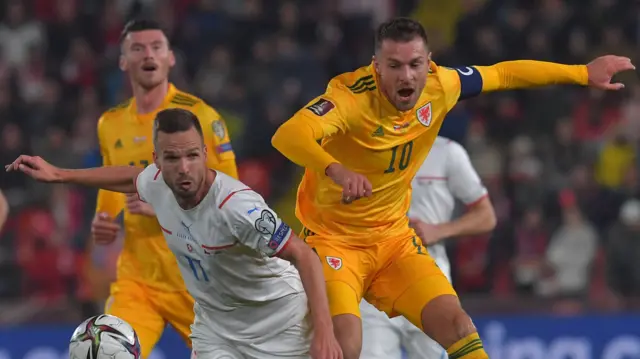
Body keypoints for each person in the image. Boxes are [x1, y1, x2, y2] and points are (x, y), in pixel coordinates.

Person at [271, 17, 634, 359]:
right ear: (376, 66)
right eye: (394, 65)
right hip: (335, 242)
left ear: (429, 62)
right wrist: (335, 169)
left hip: (394, 242)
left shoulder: (440, 84)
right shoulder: (349, 97)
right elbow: (288, 135)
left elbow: (504, 73)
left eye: (414, 63)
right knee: (346, 346)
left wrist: (582, 72)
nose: (406, 75)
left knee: (460, 326)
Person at [6, 108, 343, 359]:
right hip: (218, 330)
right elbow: (128, 177)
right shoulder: (158, 184)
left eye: (192, 156)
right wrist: (60, 174)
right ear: (158, 160)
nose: (184, 167)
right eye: (173, 158)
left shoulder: (239, 207)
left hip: (280, 325)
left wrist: (325, 333)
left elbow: (303, 256)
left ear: (205, 155)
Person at [92, 19, 238, 357]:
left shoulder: (200, 116)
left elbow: (233, 195)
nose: (149, 54)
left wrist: (166, 206)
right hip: (139, 279)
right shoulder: (110, 123)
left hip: (199, 278)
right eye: (138, 48)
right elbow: (112, 175)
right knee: (106, 351)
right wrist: (104, 215)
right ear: (123, 61)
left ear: (170, 58)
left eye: (157, 46)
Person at [359, 136, 496, 359]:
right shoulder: (364, 147)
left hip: (430, 282)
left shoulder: (447, 152)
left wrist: (439, 230)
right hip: (374, 283)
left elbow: (486, 215)